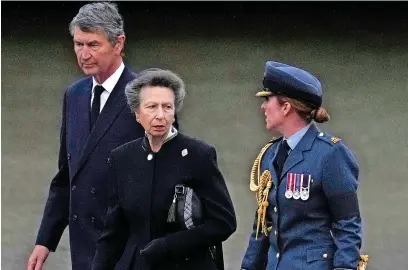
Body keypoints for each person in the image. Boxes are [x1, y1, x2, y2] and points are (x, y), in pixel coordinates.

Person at [27, 3, 180, 270]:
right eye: (78, 44)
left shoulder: (147, 99)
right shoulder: (74, 95)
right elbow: (67, 177)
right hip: (84, 249)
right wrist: (45, 239)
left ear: (118, 43)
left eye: (93, 45)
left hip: (130, 251)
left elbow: (172, 178)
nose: (83, 54)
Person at [91, 68, 237, 270]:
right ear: (137, 113)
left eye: (167, 107)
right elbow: (113, 233)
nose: (160, 115)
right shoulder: (122, 159)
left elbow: (224, 223)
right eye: (151, 107)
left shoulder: (198, 155)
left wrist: (169, 246)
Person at [240, 61, 363, 270]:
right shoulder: (270, 154)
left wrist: (344, 267)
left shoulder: (330, 154)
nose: (263, 107)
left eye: (268, 99)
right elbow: (263, 225)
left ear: (286, 107)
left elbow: (347, 224)